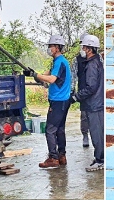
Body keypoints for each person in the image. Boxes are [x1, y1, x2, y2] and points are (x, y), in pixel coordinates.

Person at [29, 35, 71, 168]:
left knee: (50, 130)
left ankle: (53, 157)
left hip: (58, 101)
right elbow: (46, 75)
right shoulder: (59, 62)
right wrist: (35, 75)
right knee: (59, 129)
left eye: (50, 46)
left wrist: (35, 75)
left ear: (57, 47)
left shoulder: (59, 61)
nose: (49, 49)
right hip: (63, 100)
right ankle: (61, 155)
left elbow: (52, 79)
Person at [72, 35, 104, 172]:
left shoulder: (91, 65)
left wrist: (76, 97)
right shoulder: (97, 61)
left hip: (94, 104)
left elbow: (91, 87)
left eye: (84, 47)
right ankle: (99, 157)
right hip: (95, 103)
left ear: (90, 49)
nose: (82, 49)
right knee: (98, 132)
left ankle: (101, 160)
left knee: (96, 133)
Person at [70, 33, 89, 148]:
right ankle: (85, 135)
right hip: (83, 92)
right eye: (82, 46)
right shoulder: (76, 60)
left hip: (96, 92)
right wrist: (72, 92)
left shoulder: (98, 58)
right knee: (84, 115)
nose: (83, 49)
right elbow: (73, 77)